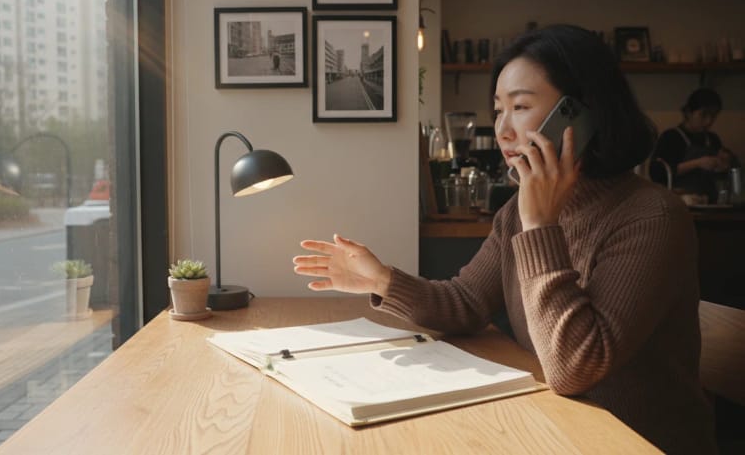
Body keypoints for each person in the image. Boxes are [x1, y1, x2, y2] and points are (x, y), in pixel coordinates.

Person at [293, 25, 716, 455]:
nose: (503, 130)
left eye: (520, 106)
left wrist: (540, 226)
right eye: (498, 109)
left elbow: (575, 367)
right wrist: (382, 280)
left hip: (636, 443)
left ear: (581, 114)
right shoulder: (518, 211)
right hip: (555, 430)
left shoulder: (651, 216)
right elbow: (465, 302)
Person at [651, 88, 737, 203]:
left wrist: (724, 164)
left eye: (713, 116)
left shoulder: (713, 139)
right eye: (703, 115)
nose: (709, 121)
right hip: (679, 202)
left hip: (708, 202)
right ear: (688, 112)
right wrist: (697, 163)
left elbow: (723, 177)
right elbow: (657, 173)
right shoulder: (671, 137)